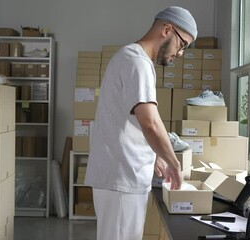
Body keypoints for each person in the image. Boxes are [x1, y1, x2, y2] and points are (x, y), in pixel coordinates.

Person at [84, 6, 198, 240]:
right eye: (182, 44)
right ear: (167, 29)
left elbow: (129, 120)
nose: (180, 53)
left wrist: (154, 155)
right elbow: (151, 123)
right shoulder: (137, 62)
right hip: (122, 178)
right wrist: (174, 164)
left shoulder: (131, 58)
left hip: (122, 176)